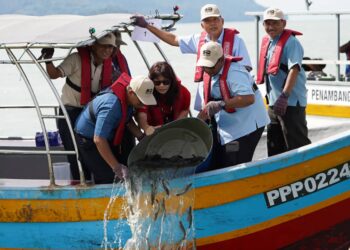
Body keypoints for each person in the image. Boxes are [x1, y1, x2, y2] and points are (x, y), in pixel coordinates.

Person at [41, 32, 130, 181]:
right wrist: (48, 61)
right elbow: (54, 74)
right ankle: (79, 184)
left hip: (89, 114)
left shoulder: (109, 65)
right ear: (93, 46)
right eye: (104, 46)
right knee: (75, 153)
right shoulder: (76, 59)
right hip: (70, 112)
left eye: (111, 47)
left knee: (92, 153)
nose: (108, 50)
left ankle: (100, 182)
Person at [196, 42, 270, 169]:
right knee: (219, 160)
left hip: (247, 125)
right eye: (204, 66)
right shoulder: (209, 73)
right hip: (228, 125)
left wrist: (221, 104)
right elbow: (205, 107)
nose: (207, 70)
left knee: (235, 162)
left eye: (211, 66)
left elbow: (248, 98)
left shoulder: (235, 72)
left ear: (221, 60)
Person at [74, 73, 157, 184]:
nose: (143, 105)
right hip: (88, 140)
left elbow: (127, 120)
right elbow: (98, 139)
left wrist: (142, 137)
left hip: (106, 136)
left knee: (131, 171)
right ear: (131, 92)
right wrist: (116, 167)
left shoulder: (127, 99)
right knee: (111, 179)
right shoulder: (111, 105)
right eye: (141, 101)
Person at [132, 3, 252, 72]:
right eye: (207, 20)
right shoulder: (198, 40)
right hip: (209, 95)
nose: (212, 23)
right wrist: (147, 26)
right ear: (202, 25)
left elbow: (246, 67)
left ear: (222, 21)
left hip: (232, 94)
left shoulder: (236, 41)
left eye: (215, 19)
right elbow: (173, 40)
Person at [256, 7, 311, 157]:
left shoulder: (291, 43)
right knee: (274, 145)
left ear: (283, 23)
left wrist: (285, 96)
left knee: (296, 144)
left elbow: (294, 69)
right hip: (273, 104)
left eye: (274, 23)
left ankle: (305, 174)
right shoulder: (269, 42)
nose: (270, 27)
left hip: (291, 103)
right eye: (267, 23)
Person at [136, 61, 191, 135]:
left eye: (166, 82)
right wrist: (146, 128)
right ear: (151, 82)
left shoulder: (184, 92)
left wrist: (176, 127)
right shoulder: (146, 92)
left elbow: (185, 110)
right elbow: (141, 113)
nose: (161, 86)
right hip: (153, 131)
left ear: (171, 81)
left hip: (175, 129)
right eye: (157, 83)